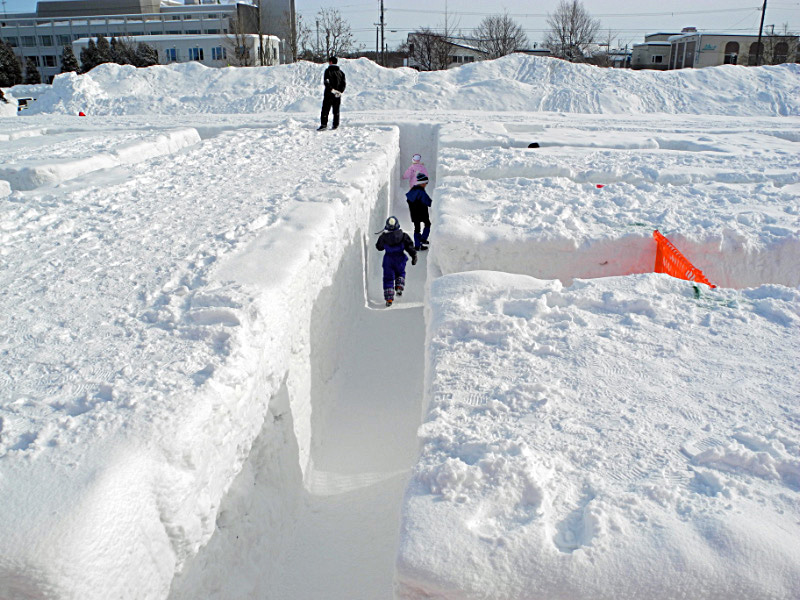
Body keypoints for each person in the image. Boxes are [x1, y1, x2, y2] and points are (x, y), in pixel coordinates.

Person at [376, 216, 417, 307]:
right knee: (400, 273)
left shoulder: (384, 237)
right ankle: (399, 286)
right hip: (400, 259)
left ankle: (389, 299)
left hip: (388, 260)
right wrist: (414, 255)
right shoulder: (403, 236)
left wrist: (382, 239)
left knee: (388, 278)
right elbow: (409, 246)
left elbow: (379, 247)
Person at [405, 172, 432, 251]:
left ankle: (417, 245)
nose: (426, 184)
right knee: (427, 224)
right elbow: (428, 202)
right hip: (422, 212)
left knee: (417, 228)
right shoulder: (421, 192)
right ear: (421, 183)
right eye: (425, 183)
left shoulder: (412, 190)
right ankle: (423, 239)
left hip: (414, 214)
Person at [318, 56, 346, 131]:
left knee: (325, 110)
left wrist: (332, 90)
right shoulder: (341, 73)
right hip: (338, 95)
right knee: (336, 110)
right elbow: (343, 84)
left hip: (329, 94)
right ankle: (335, 124)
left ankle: (324, 125)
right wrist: (339, 91)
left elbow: (326, 82)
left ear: (330, 62)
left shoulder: (327, 71)